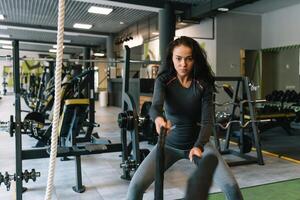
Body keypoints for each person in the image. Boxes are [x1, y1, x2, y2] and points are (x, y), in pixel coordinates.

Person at [126, 36, 243, 200]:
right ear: (171, 58)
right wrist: (158, 119)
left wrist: (199, 146)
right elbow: (155, 107)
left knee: (232, 189)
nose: (183, 64)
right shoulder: (164, 80)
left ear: (194, 59)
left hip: (198, 146)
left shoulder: (203, 84)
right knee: (135, 188)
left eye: (188, 59)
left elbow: (208, 121)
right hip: (168, 145)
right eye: (178, 58)